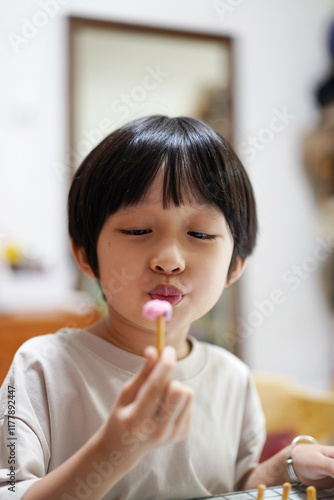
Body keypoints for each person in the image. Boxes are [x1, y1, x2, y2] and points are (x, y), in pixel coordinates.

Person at [1, 116, 334, 500]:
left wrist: (287, 465)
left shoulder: (233, 379)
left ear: (235, 265)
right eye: (139, 230)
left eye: (200, 234)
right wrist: (113, 452)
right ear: (85, 255)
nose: (169, 260)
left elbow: (233, 487)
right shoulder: (39, 368)